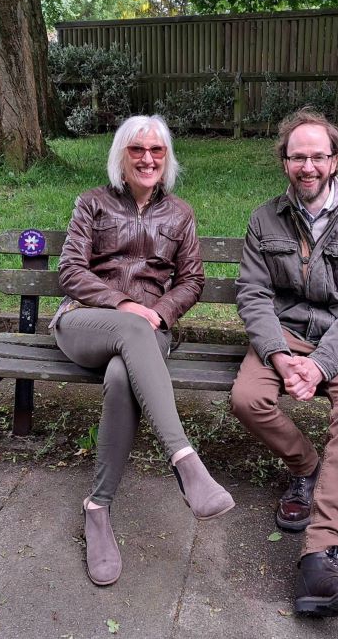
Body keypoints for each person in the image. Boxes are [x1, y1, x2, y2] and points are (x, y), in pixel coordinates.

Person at [52, 114, 234, 587]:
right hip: (85, 320)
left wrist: (160, 311)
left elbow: (192, 280)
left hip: (148, 331)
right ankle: (185, 462)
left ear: (167, 158)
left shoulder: (180, 214)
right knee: (130, 330)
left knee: (120, 376)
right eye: (137, 150)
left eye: (157, 151)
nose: (148, 158)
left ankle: (97, 508)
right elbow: (71, 271)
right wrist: (127, 304)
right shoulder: (92, 203)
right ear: (121, 156)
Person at [230, 108, 338, 617]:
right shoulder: (264, 218)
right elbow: (253, 293)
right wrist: (278, 354)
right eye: (297, 156)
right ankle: (306, 466)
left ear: (335, 160)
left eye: (317, 156)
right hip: (283, 337)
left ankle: (321, 556)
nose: (307, 166)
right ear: (284, 162)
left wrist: (319, 366)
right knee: (247, 398)